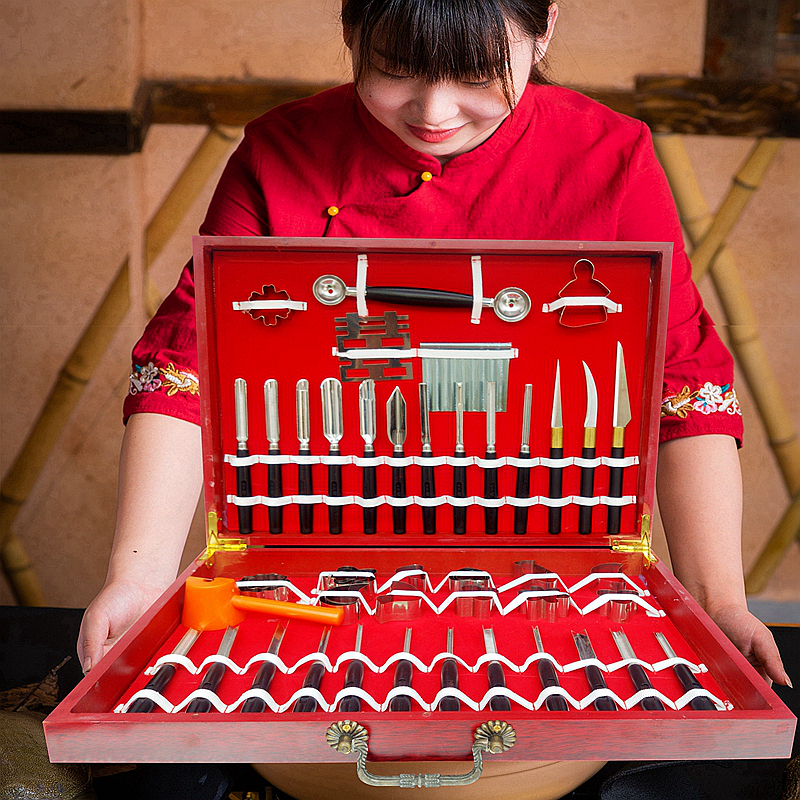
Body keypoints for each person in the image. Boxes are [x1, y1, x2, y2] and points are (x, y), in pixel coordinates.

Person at [78, 1, 790, 798]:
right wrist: (139, 579)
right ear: (350, 31)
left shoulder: (610, 157)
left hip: (555, 560)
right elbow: (185, 366)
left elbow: (684, 387)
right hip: (316, 551)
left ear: (544, 30)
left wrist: (719, 602)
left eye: (477, 76)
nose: (434, 111)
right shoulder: (282, 152)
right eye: (396, 70)